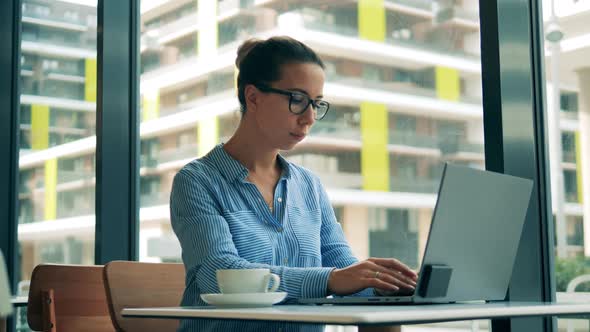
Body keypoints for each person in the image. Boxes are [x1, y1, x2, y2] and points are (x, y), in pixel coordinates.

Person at [170, 36, 418, 332]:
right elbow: (218, 272)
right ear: (253, 97)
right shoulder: (198, 180)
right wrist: (329, 279)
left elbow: (346, 273)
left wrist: (385, 284)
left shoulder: (309, 187)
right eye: (298, 100)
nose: (310, 118)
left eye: (316, 103)